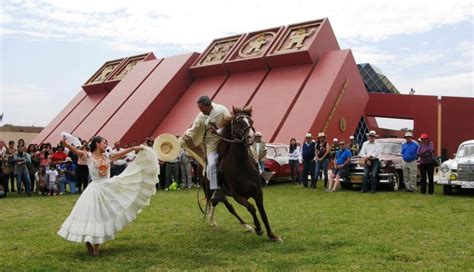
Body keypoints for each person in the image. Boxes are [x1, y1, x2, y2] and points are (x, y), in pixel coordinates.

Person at [58, 135, 158, 256]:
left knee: (103, 215)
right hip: (94, 189)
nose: (106, 145)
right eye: (104, 143)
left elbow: (121, 154)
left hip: (108, 186)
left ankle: (96, 245)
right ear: (97, 144)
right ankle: (89, 242)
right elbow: (77, 151)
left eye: (106, 143)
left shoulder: (107, 156)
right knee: (92, 216)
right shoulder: (88, 156)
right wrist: (66, 145)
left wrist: (134, 148)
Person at [179, 95, 231, 199]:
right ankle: (216, 191)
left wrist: (218, 131)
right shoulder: (200, 117)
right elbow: (193, 130)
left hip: (226, 140)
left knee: (248, 151)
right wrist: (182, 139)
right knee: (211, 165)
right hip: (211, 144)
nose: (200, 110)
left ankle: (259, 176)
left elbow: (230, 124)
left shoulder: (222, 110)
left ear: (208, 105)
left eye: (201, 108)